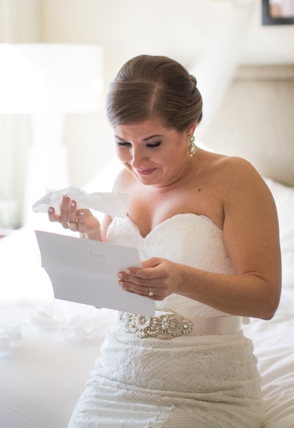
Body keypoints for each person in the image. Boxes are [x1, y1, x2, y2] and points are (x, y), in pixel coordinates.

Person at [48, 55, 281, 428]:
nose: (136, 161)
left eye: (152, 143)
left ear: (190, 128)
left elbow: (265, 299)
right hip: (116, 376)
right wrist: (90, 233)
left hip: (206, 389)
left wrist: (182, 279)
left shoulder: (234, 178)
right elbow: (108, 293)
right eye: (122, 142)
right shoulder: (122, 182)